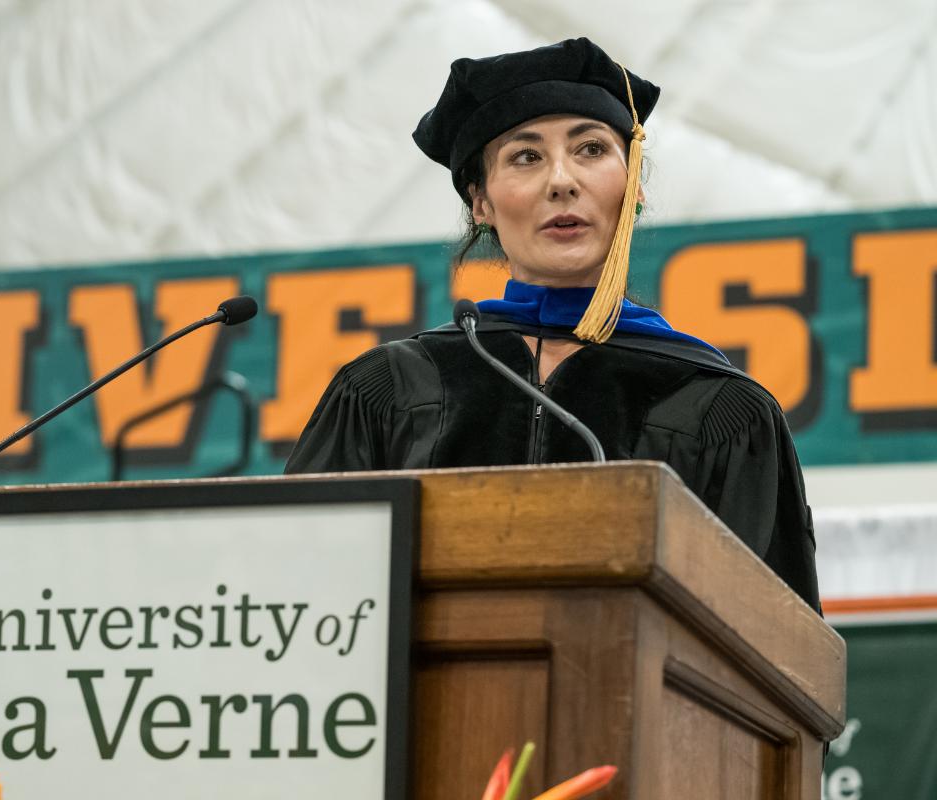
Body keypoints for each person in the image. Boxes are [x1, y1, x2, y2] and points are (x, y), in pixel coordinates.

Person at [283, 37, 819, 612]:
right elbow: (297, 595)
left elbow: (774, 650)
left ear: (632, 187)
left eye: (591, 149)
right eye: (526, 156)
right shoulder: (389, 388)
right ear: (481, 204)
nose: (562, 180)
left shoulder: (719, 409)